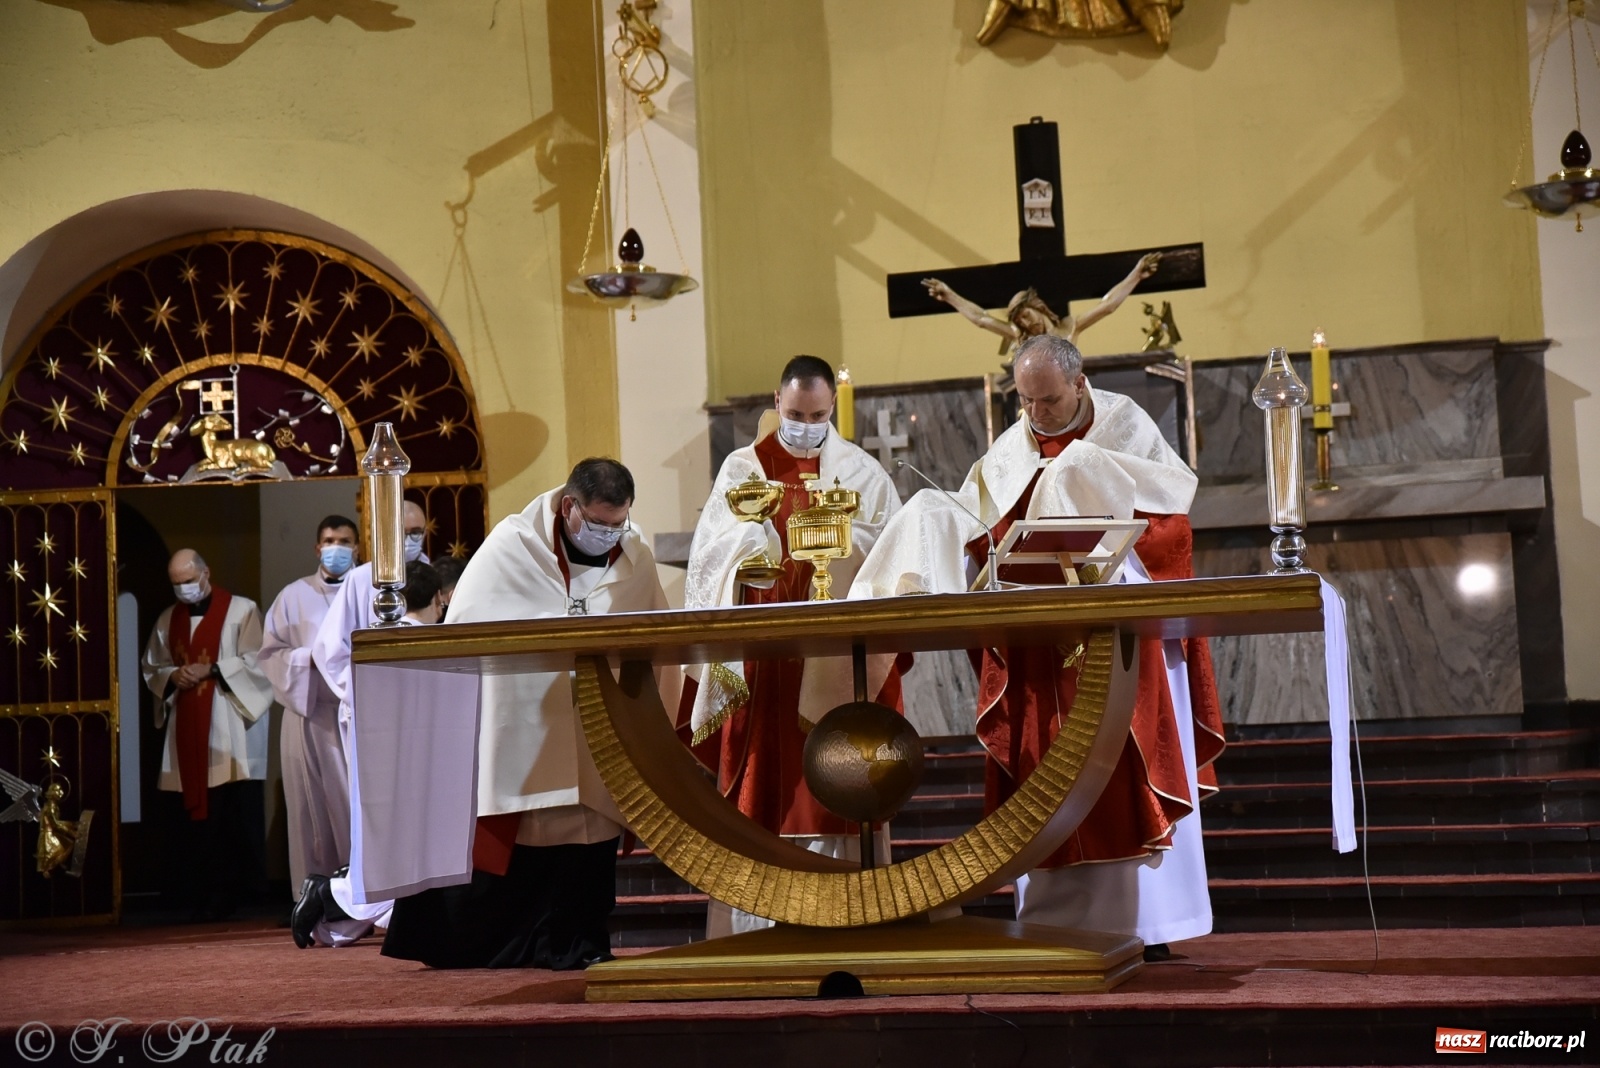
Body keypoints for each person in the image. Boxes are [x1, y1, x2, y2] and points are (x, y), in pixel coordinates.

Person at [850, 333, 1223, 955]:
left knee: (1124, 774)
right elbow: (982, 531)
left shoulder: (1124, 429)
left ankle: (1146, 925)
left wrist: (1088, 512)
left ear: (1080, 384)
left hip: (1115, 636)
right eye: (1025, 401)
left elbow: (1169, 531)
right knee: (1043, 777)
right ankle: (1055, 923)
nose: (1036, 415)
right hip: (1036, 649)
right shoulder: (1013, 444)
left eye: (1047, 401)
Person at [380, 458, 672, 969]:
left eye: (618, 523)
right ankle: (507, 945)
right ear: (569, 506)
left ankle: (579, 945)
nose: (609, 534)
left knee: (588, 837)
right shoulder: (511, 547)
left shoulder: (635, 557)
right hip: (522, 726)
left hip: (597, 729)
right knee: (528, 838)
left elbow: (655, 640)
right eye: (599, 523)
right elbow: (469, 631)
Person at [678, 355, 905, 939]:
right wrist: (753, 544)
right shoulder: (741, 468)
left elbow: (894, 554)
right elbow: (710, 555)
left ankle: (849, 922)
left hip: (835, 653)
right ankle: (755, 930)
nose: (806, 423)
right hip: (765, 657)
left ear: (833, 408)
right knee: (767, 781)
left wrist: (842, 541)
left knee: (839, 778)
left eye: (819, 414)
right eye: (796, 412)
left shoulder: (862, 473)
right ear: (777, 403)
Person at [290, 560, 440, 948]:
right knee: (402, 839)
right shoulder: (368, 582)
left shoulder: (383, 628)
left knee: (388, 839)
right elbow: (327, 650)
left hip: (376, 734)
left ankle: (333, 897)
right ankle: (334, 894)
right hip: (396, 745)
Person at [140, 548, 275, 920]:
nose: (183, 590)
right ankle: (192, 893)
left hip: (228, 727)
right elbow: (153, 665)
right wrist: (173, 675)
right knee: (191, 824)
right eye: (176, 584)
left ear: (205, 573)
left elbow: (259, 662)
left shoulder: (242, 611)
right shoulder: (169, 619)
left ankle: (237, 893)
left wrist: (213, 668)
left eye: (188, 581)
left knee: (231, 815)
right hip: (186, 728)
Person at [258, 514, 359, 920]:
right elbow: (269, 654)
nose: (336, 547)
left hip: (355, 714)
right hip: (308, 710)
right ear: (318, 548)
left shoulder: (368, 592)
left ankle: (362, 901)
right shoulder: (292, 597)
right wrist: (310, 660)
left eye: (345, 540)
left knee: (353, 808)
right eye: (330, 540)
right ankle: (313, 903)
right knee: (309, 811)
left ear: (357, 546)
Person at [922, 252, 1161, 358]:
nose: (1027, 323)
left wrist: (1136, 275)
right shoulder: (1022, 338)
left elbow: (1107, 305)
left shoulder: (1070, 327)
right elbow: (981, 319)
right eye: (1020, 321)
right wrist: (950, 295)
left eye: (1026, 315)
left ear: (1036, 306)